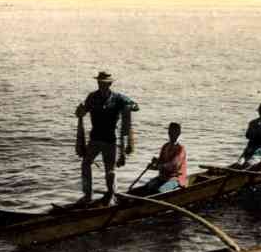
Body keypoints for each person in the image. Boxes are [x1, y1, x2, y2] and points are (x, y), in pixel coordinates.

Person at [75, 71, 139, 205]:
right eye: (99, 82)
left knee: (110, 170)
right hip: (95, 138)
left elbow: (136, 106)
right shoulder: (92, 97)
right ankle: (88, 195)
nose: (100, 85)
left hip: (111, 140)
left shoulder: (118, 98)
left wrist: (129, 107)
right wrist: (80, 111)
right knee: (86, 163)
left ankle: (111, 195)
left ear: (109, 84)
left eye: (103, 83)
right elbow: (84, 110)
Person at [143, 122, 187, 194]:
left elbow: (173, 165)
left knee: (158, 191)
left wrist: (158, 165)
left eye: (174, 132)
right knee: (146, 187)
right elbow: (160, 163)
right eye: (170, 132)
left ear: (178, 133)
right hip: (163, 178)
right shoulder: (165, 146)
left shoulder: (180, 149)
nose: (171, 134)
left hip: (175, 179)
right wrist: (153, 165)